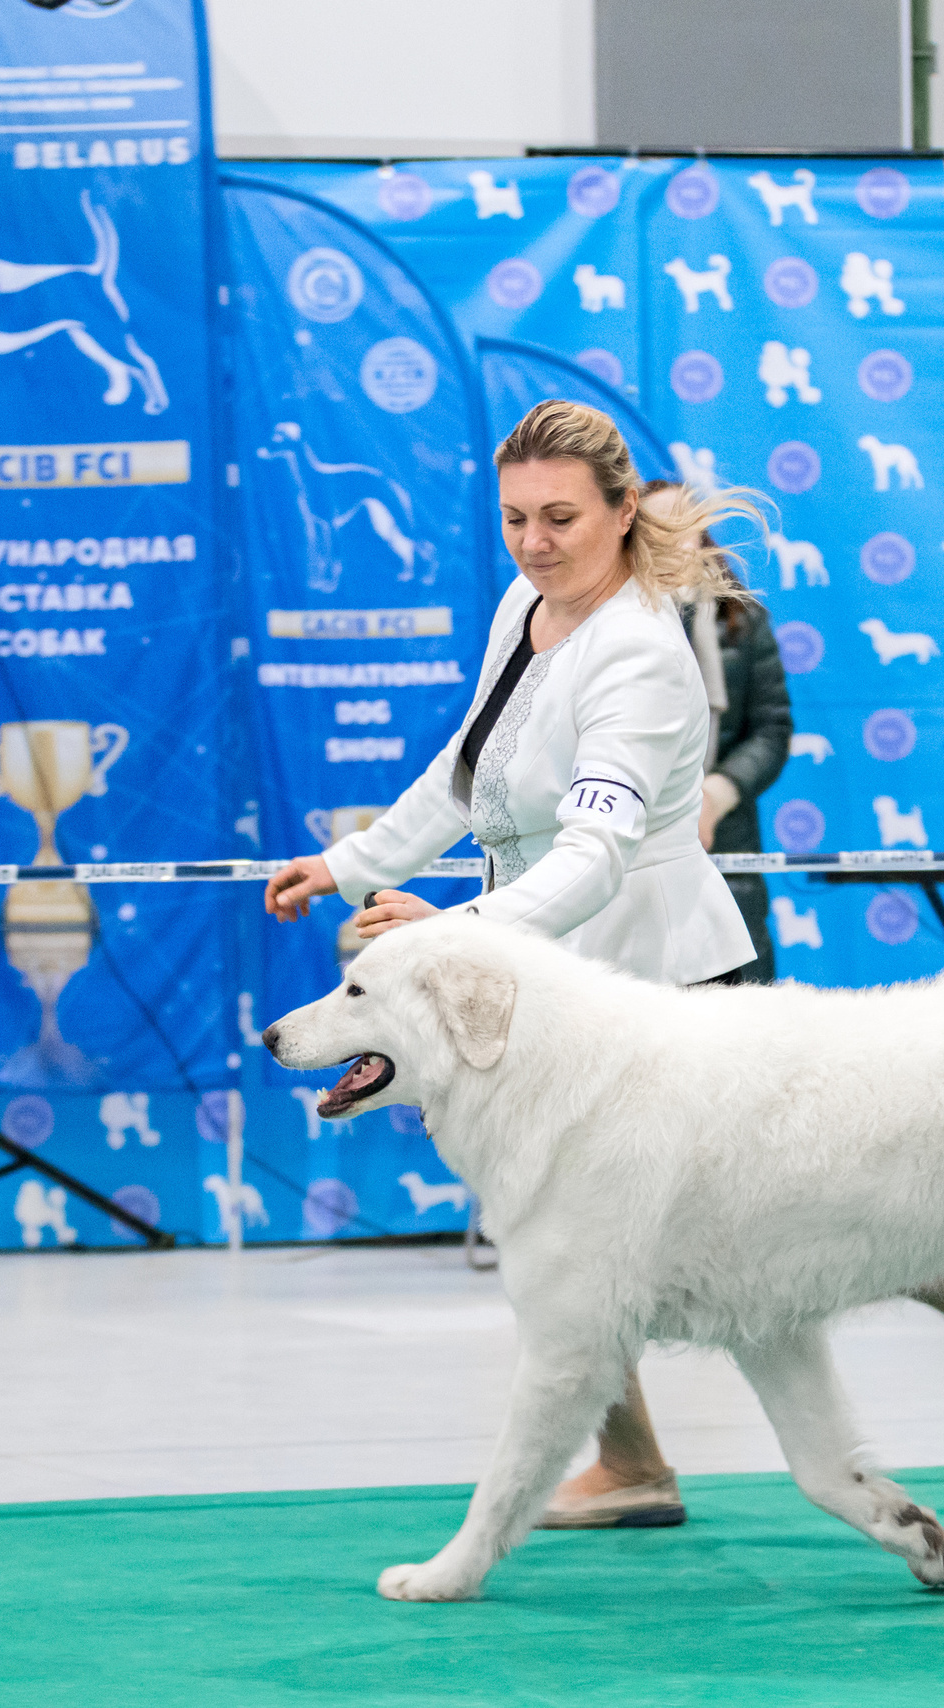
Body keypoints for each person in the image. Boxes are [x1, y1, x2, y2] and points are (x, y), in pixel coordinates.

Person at [265, 400, 762, 1529]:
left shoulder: (637, 654)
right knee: (561, 1243)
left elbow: (594, 852)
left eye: (560, 518)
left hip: (653, 981)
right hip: (553, 968)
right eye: (514, 518)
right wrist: (350, 864)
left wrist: (452, 932)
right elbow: (470, 765)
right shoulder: (527, 606)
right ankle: (634, 1469)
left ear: (623, 511)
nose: (535, 541)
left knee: (731, 1246)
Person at [655, 481, 794, 984]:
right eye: (655, 532)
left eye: (683, 530)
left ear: (703, 537)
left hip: (726, 839)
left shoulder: (745, 619)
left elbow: (772, 729)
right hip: (639, 840)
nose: (671, 543)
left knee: (743, 1009)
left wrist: (715, 795)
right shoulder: (605, 626)